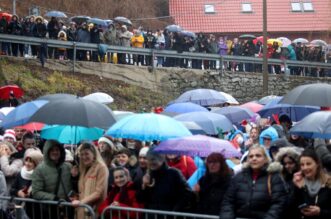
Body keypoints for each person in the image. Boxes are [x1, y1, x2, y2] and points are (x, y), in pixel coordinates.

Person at [220, 145, 287, 219]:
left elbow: (279, 203)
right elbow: (228, 201)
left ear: (265, 159)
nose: (254, 158)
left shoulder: (274, 178)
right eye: (251, 156)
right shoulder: (238, 177)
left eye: (258, 156)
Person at [136, 146, 195, 212]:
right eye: (149, 160)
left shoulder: (174, 173)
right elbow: (140, 199)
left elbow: (187, 193)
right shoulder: (148, 175)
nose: (151, 163)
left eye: (154, 159)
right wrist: (144, 186)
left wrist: (174, 211)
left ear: (161, 159)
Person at [31, 140, 73, 219]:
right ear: (47, 152)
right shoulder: (39, 169)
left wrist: (75, 176)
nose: (55, 152)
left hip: (67, 208)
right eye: (52, 150)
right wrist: (54, 198)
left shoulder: (67, 166)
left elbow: (72, 185)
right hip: (50, 209)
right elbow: (36, 192)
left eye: (57, 149)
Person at [290, 149, 331, 219]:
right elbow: (291, 210)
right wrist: (298, 188)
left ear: (317, 164)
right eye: (302, 165)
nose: (305, 168)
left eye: (308, 164)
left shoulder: (328, 182)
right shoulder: (299, 182)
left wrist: (320, 212)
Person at [71, 142, 108, 219]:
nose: (84, 157)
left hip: (94, 211)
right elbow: (82, 189)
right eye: (82, 154)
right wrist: (76, 197)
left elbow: (99, 193)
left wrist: (81, 202)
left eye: (87, 154)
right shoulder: (83, 168)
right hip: (81, 210)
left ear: (93, 154)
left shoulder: (101, 167)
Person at [10, 150, 43, 218]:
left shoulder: (41, 176)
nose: (27, 163)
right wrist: (18, 192)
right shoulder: (21, 173)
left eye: (31, 161)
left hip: (37, 211)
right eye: (26, 161)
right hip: (21, 209)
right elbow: (12, 189)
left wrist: (30, 195)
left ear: (37, 163)